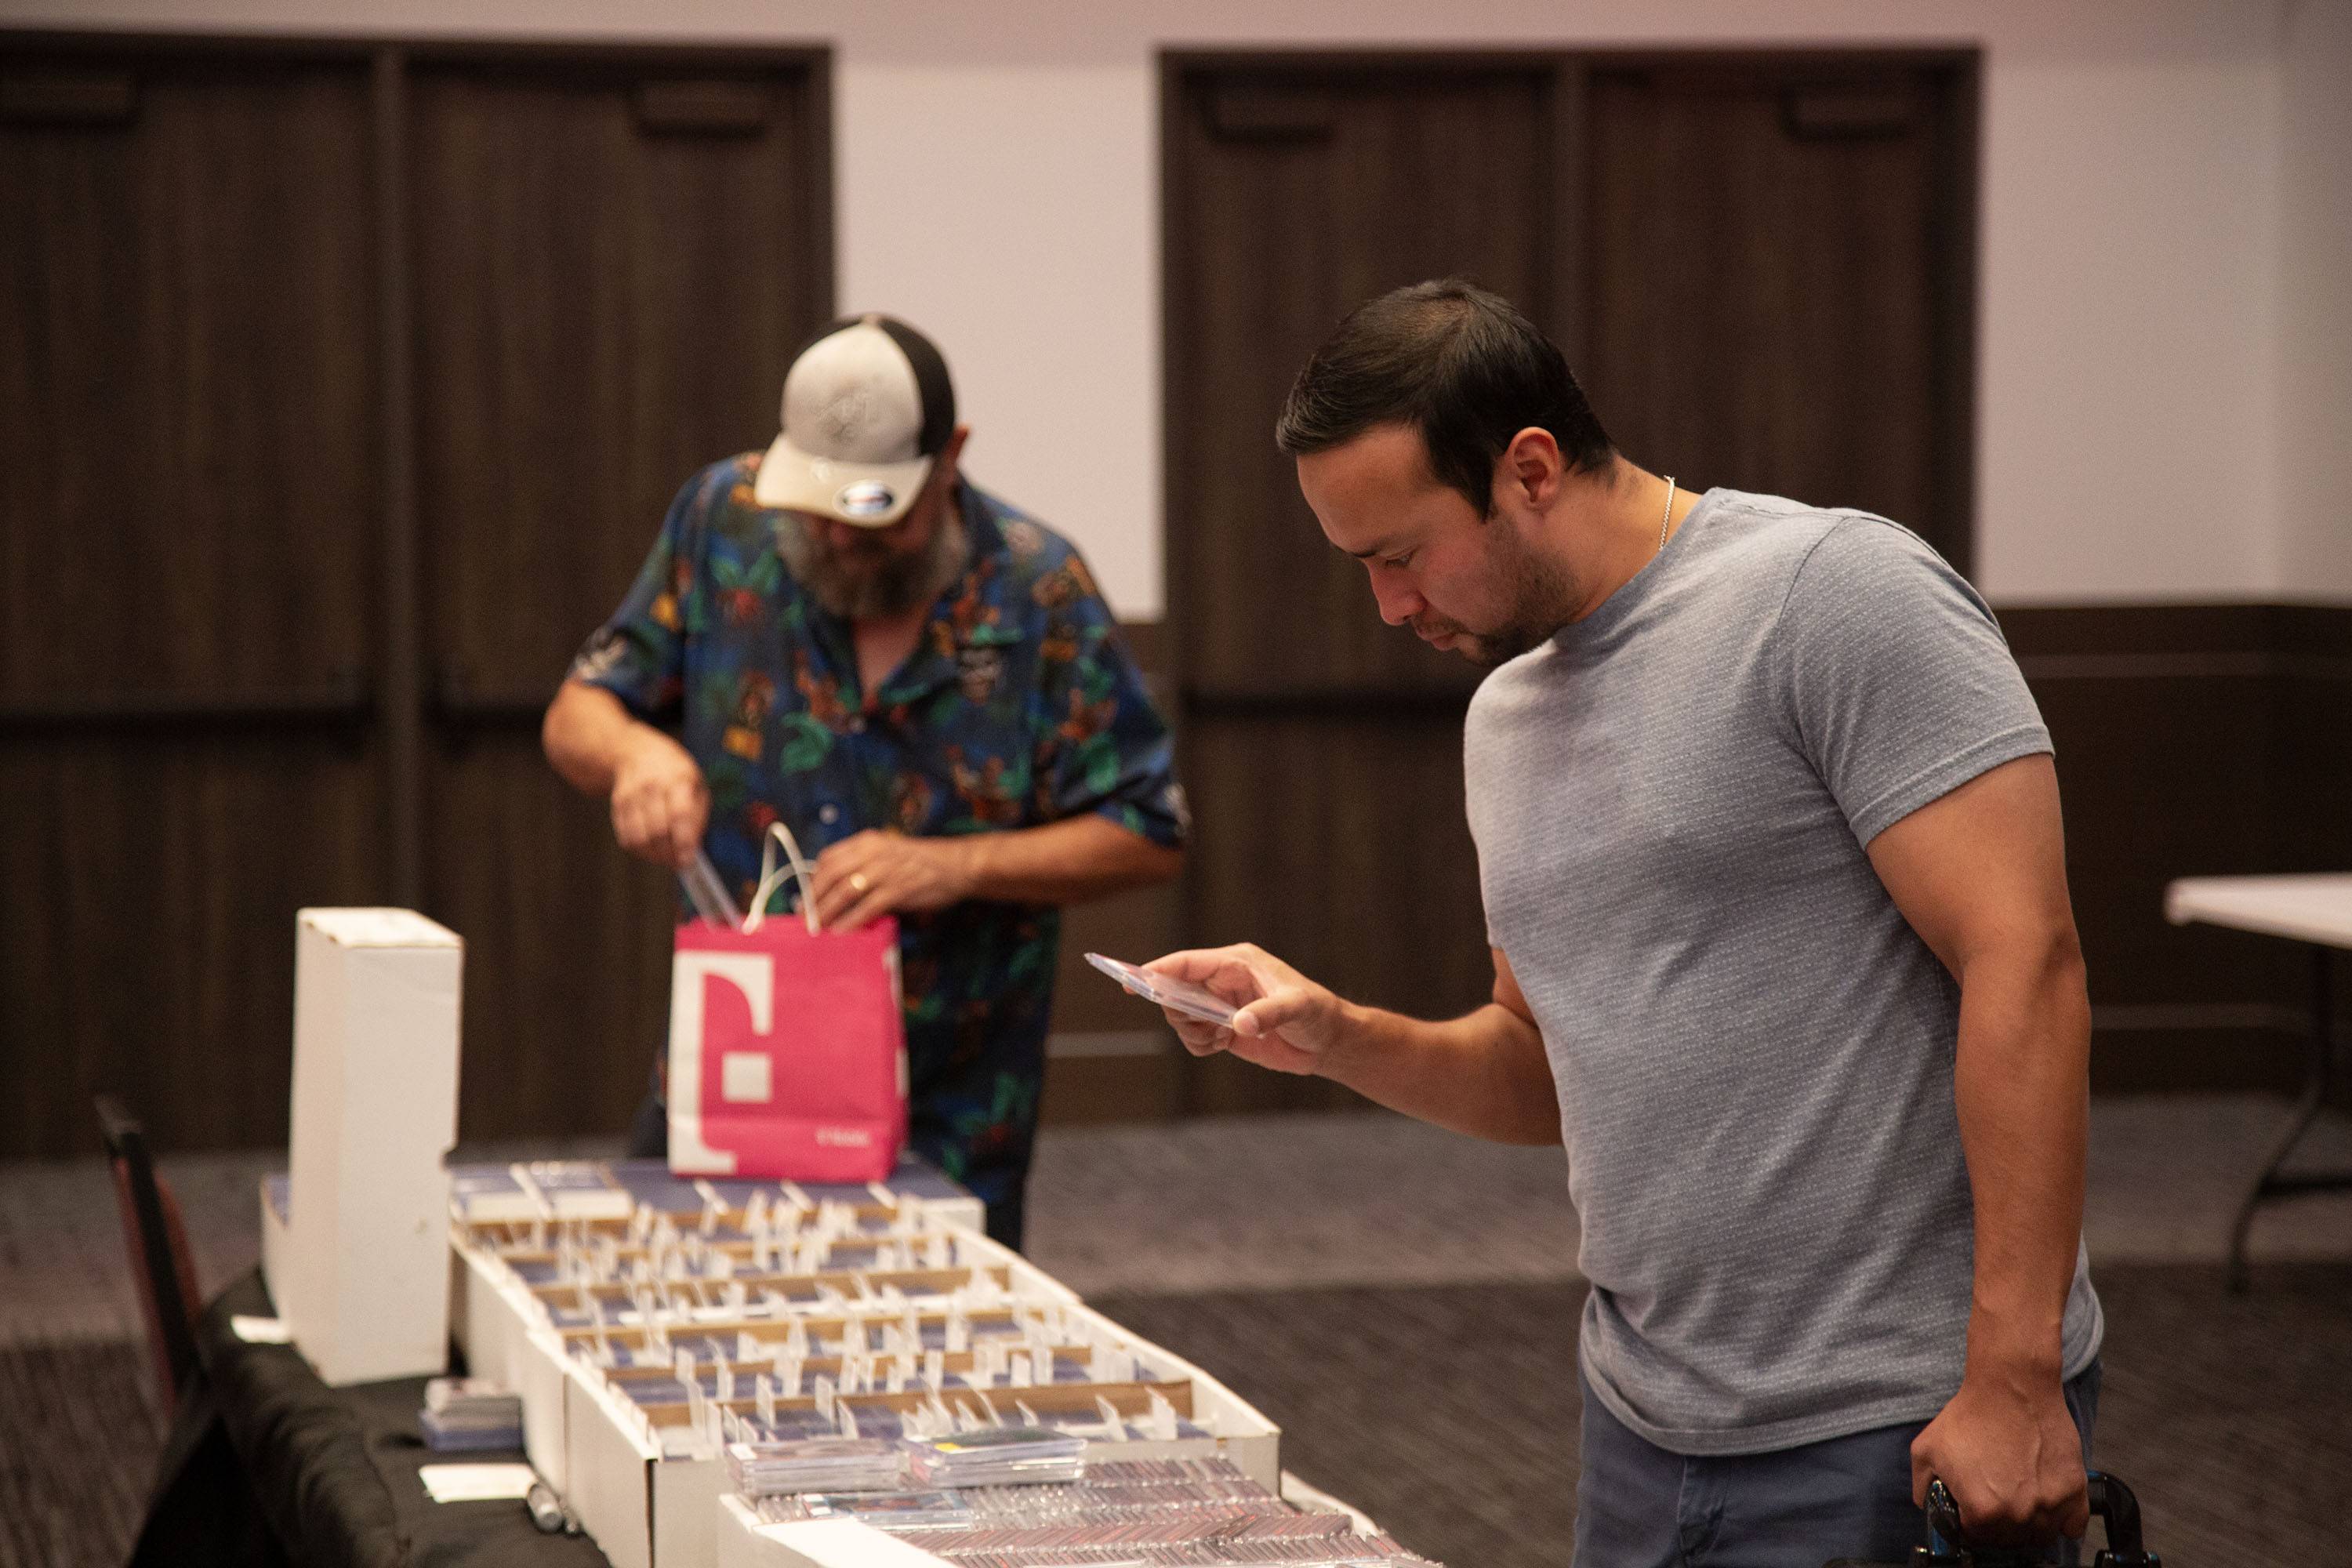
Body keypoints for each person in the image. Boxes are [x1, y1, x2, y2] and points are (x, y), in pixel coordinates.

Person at [1143, 281, 2103, 1566]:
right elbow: (1550, 1071)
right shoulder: (1505, 720)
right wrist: (1335, 1035)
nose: (1387, 606)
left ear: (1530, 467)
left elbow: (2026, 967)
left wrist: (2017, 1377)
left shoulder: (1829, 594)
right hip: (1645, 1430)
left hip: (1897, 1424)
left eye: (1401, 553)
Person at [545, 314, 1185, 1247]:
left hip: (950, 1106)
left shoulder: (1039, 590)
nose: (843, 540)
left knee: (934, 1372)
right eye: (820, 511)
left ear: (951, 457)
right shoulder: (724, 519)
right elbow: (579, 710)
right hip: (733, 1077)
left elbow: (1149, 828)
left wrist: (955, 868)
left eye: (877, 515)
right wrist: (634, 754)